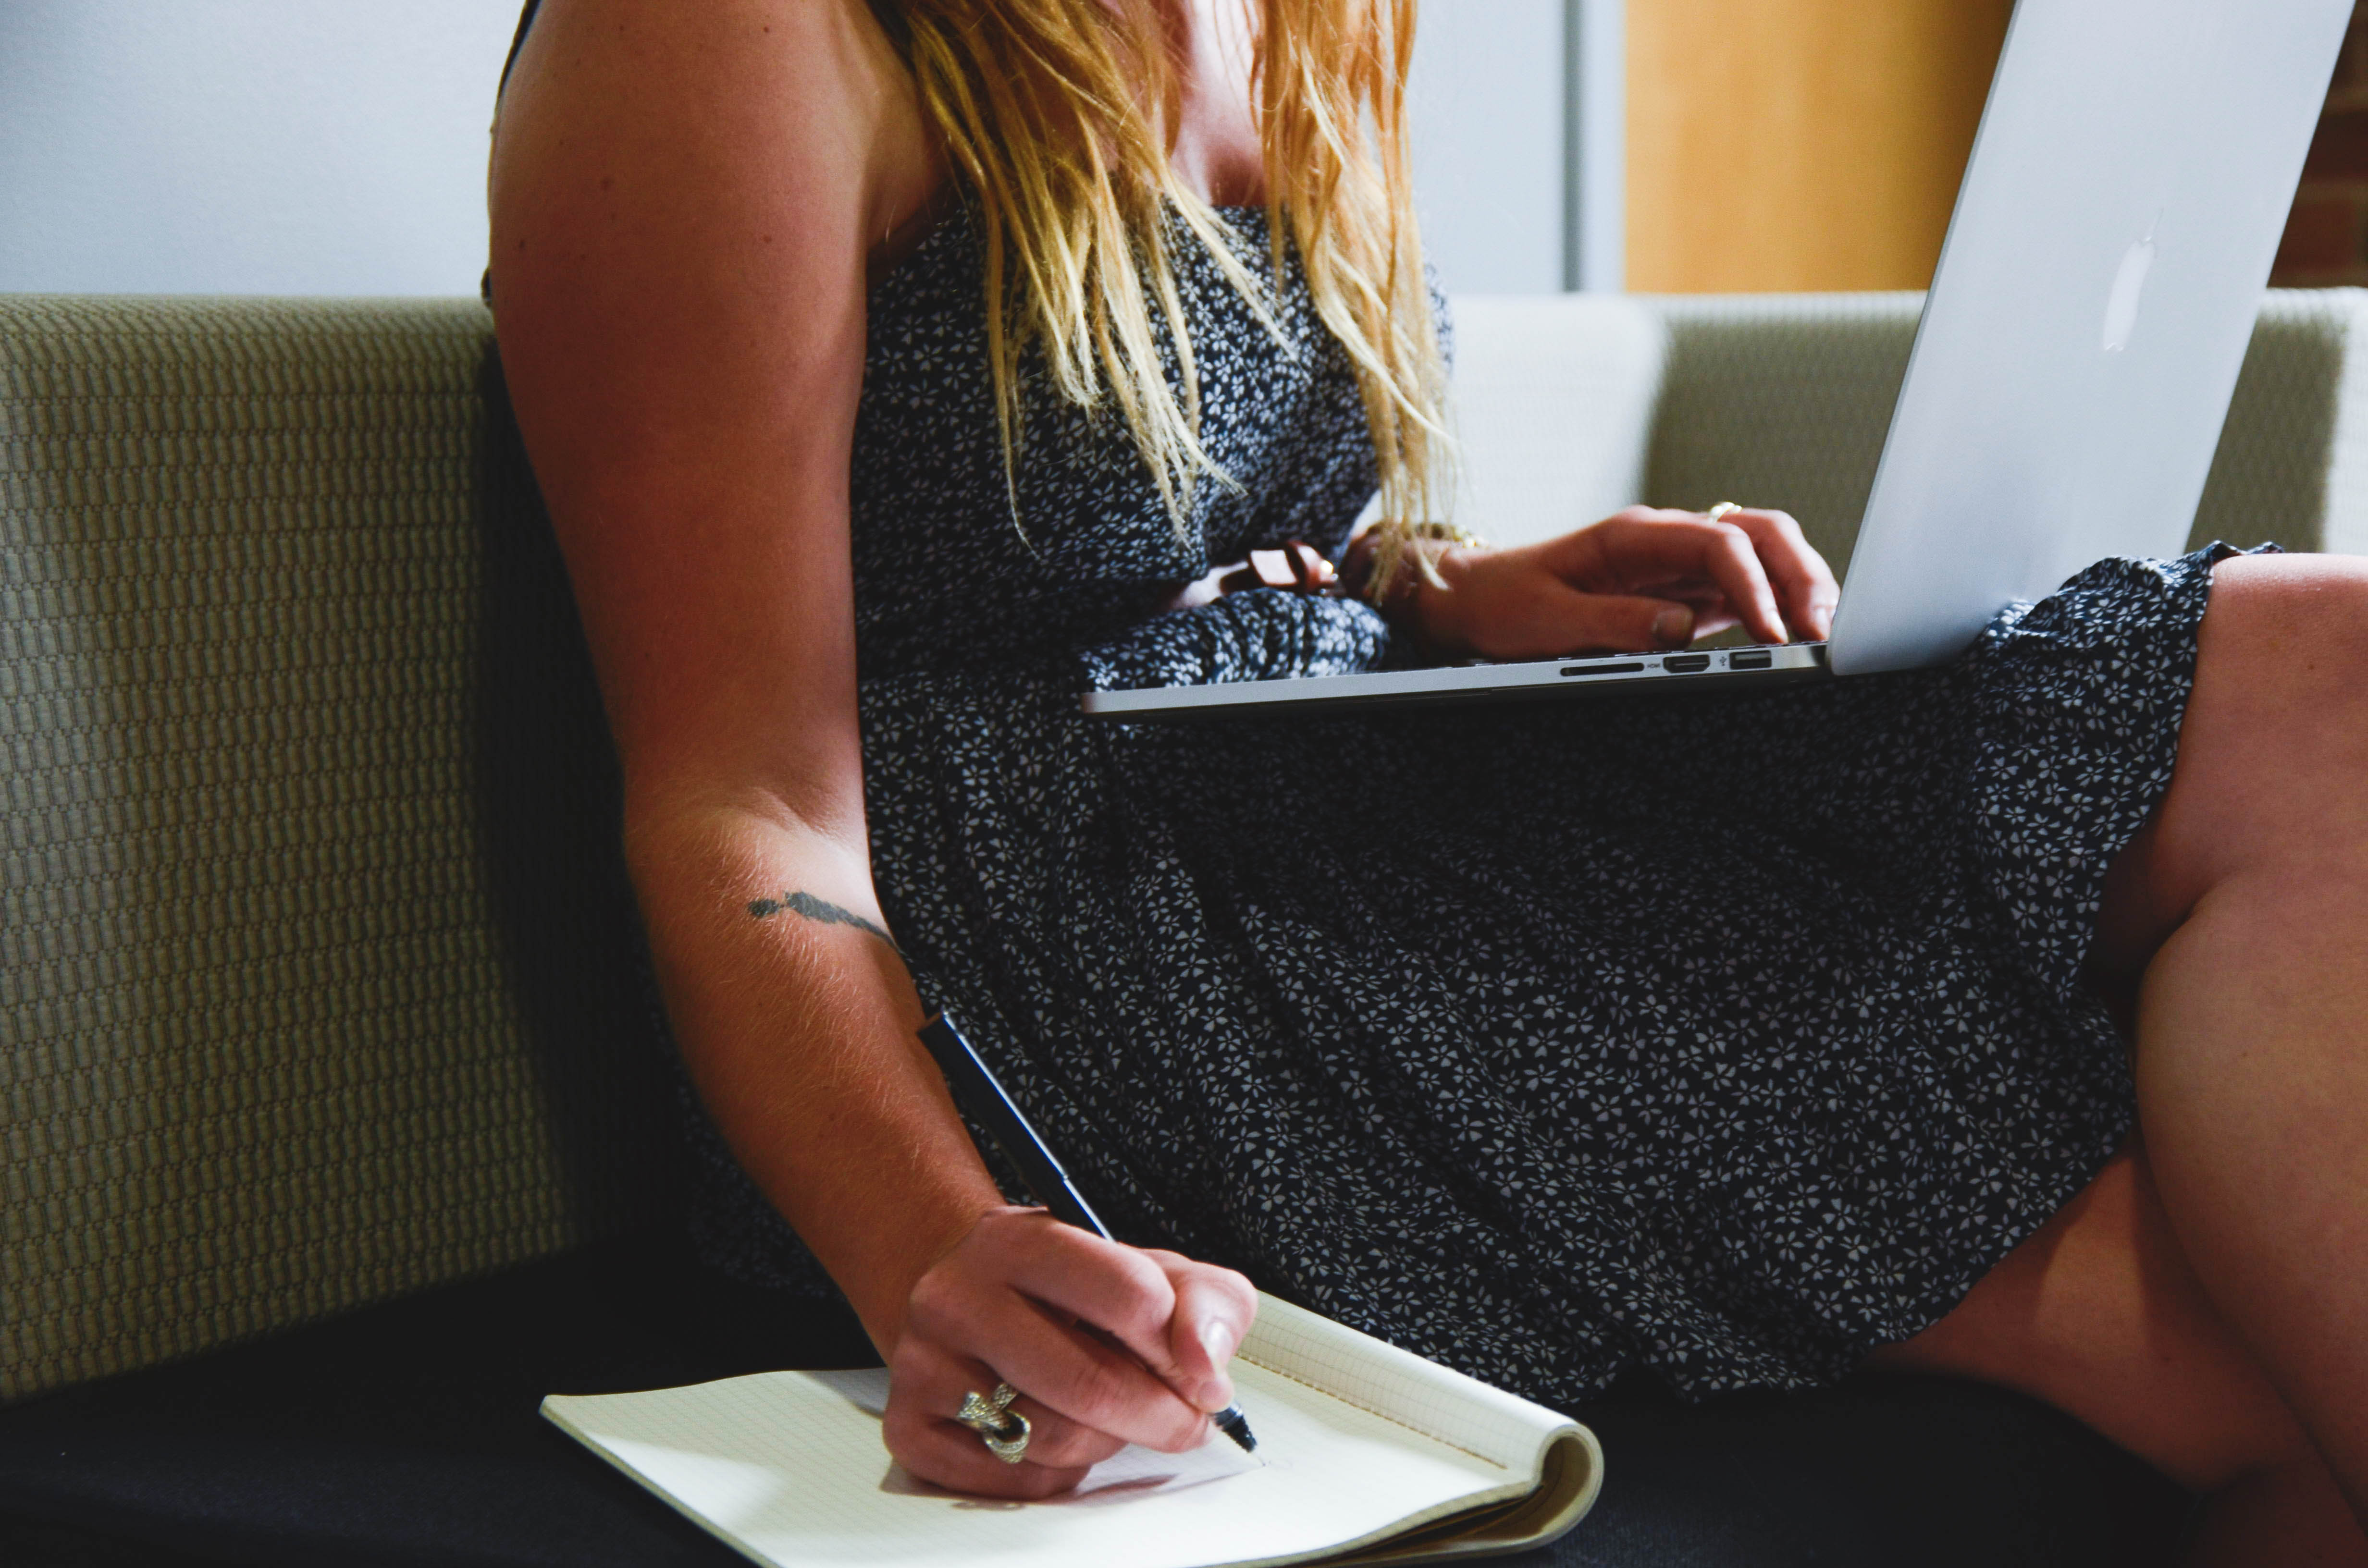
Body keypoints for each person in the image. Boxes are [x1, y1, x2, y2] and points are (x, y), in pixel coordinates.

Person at [485, 0, 2368, 1556]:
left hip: (1318, 799)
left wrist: (1447, 597)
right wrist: (934, 1249)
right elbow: (741, 800)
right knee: (2229, 1347)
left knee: (2327, 670)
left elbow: (1162, 518)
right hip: (1049, 961)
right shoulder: (720, 35)